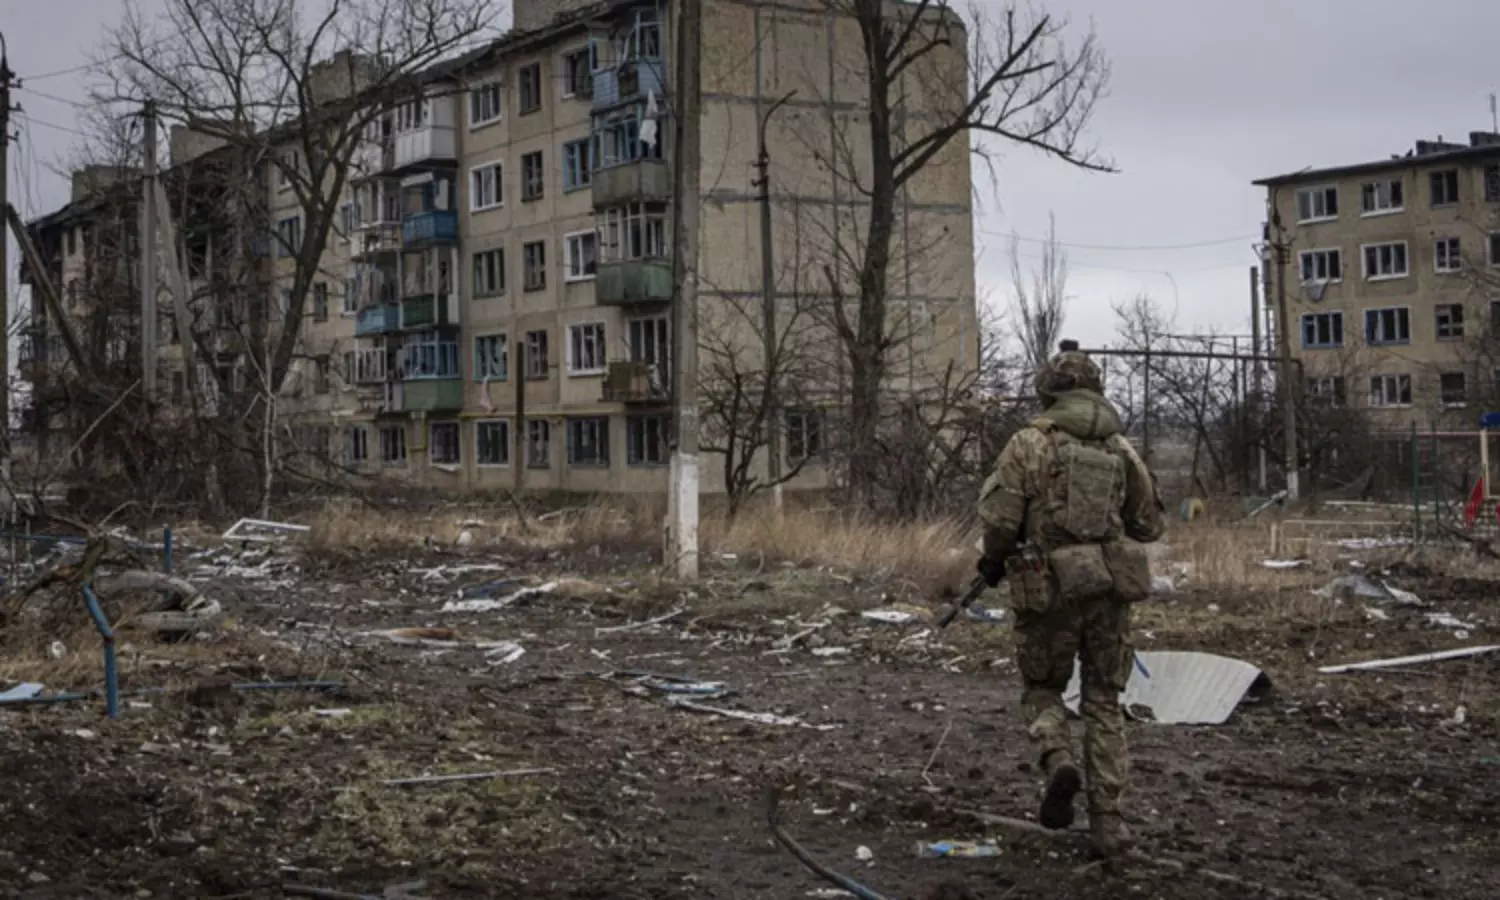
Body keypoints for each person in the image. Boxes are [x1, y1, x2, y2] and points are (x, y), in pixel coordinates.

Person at [975, 339, 1165, 857]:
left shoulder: (1028, 444)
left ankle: (1058, 758)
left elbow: (1000, 521)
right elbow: (1148, 525)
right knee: (1104, 701)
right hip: (1108, 592)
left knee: (1042, 688)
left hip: (1048, 590)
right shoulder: (1120, 448)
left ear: (1049, 392)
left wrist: (993, 560)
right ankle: (1109, 824)